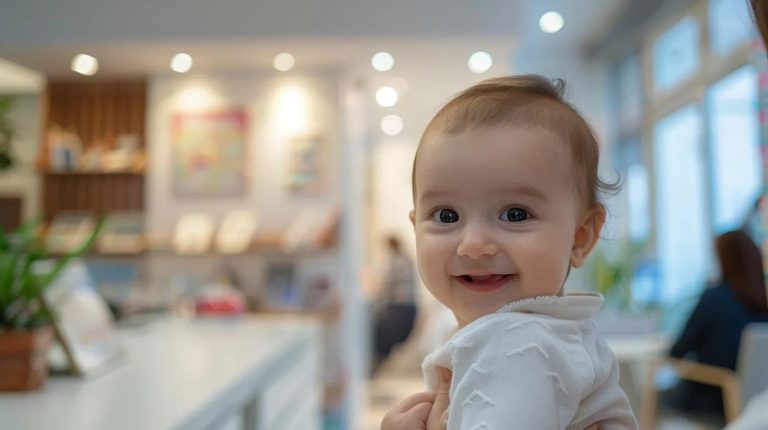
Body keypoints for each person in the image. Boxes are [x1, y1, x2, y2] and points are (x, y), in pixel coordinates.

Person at [381, 75, 637, 429]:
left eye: (515, 214)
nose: (473, 243)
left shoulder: (519, 345)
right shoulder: (539, 336)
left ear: (580, 237)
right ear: (415, 228)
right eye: (446, 215)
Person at [663, 231, 768, 421]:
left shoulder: (714, 298)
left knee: (656, 395)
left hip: (712, 398)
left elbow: (678, 351)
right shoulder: (763, 303)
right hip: (757, 403)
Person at [372, 235, 419, 372]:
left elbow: (386, 283)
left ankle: (377, 367)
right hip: (406, 306)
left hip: (400, 307)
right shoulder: (405, 259)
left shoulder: (397, 261)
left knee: (382, 336)